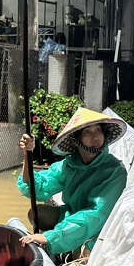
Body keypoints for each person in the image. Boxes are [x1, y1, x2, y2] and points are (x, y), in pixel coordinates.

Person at [17, 107, 127, 257]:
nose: (95, 137)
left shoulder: (115, 170)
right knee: (35, 213)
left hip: (99, 226)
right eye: (87, 132)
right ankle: (61, 245)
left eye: (98, 130)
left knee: (82, 257)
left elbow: (96, 213)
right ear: (77, 140)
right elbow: (38, 187)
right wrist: (27, 154)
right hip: (71, 216)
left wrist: (51, 237)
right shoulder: (69, 165)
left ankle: (65, 249)